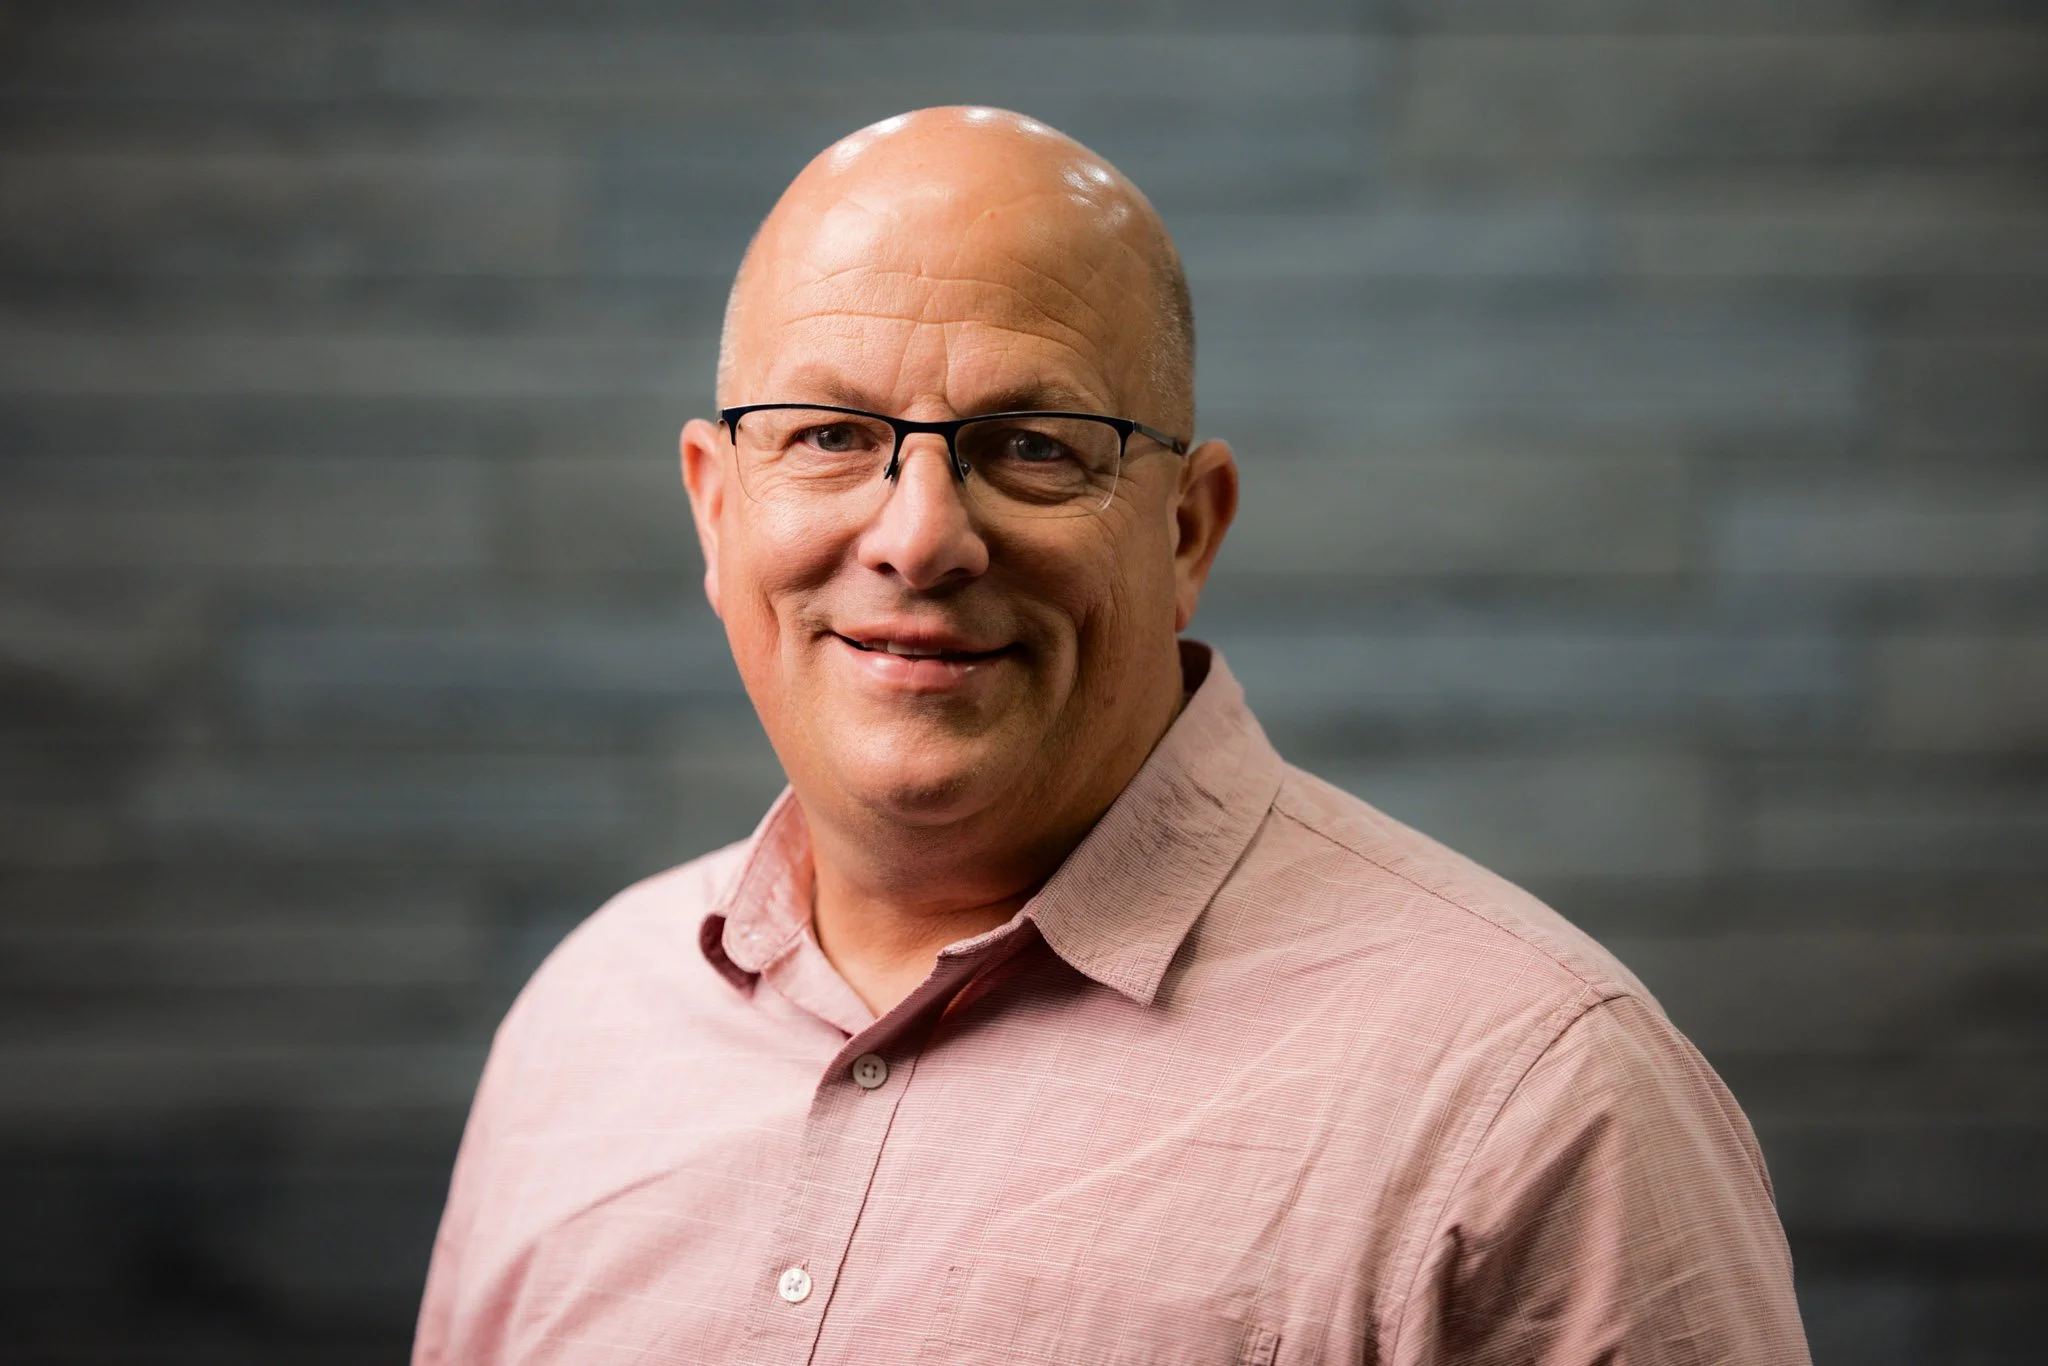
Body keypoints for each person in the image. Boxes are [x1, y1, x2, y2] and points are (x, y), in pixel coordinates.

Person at [414, 106, 1810, 1365]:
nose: (919, 538)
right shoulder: (587, 1022)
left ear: (1187, 530)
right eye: (830, 434)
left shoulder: (1533, 1102)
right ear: (718, 508)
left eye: (1033, 445)